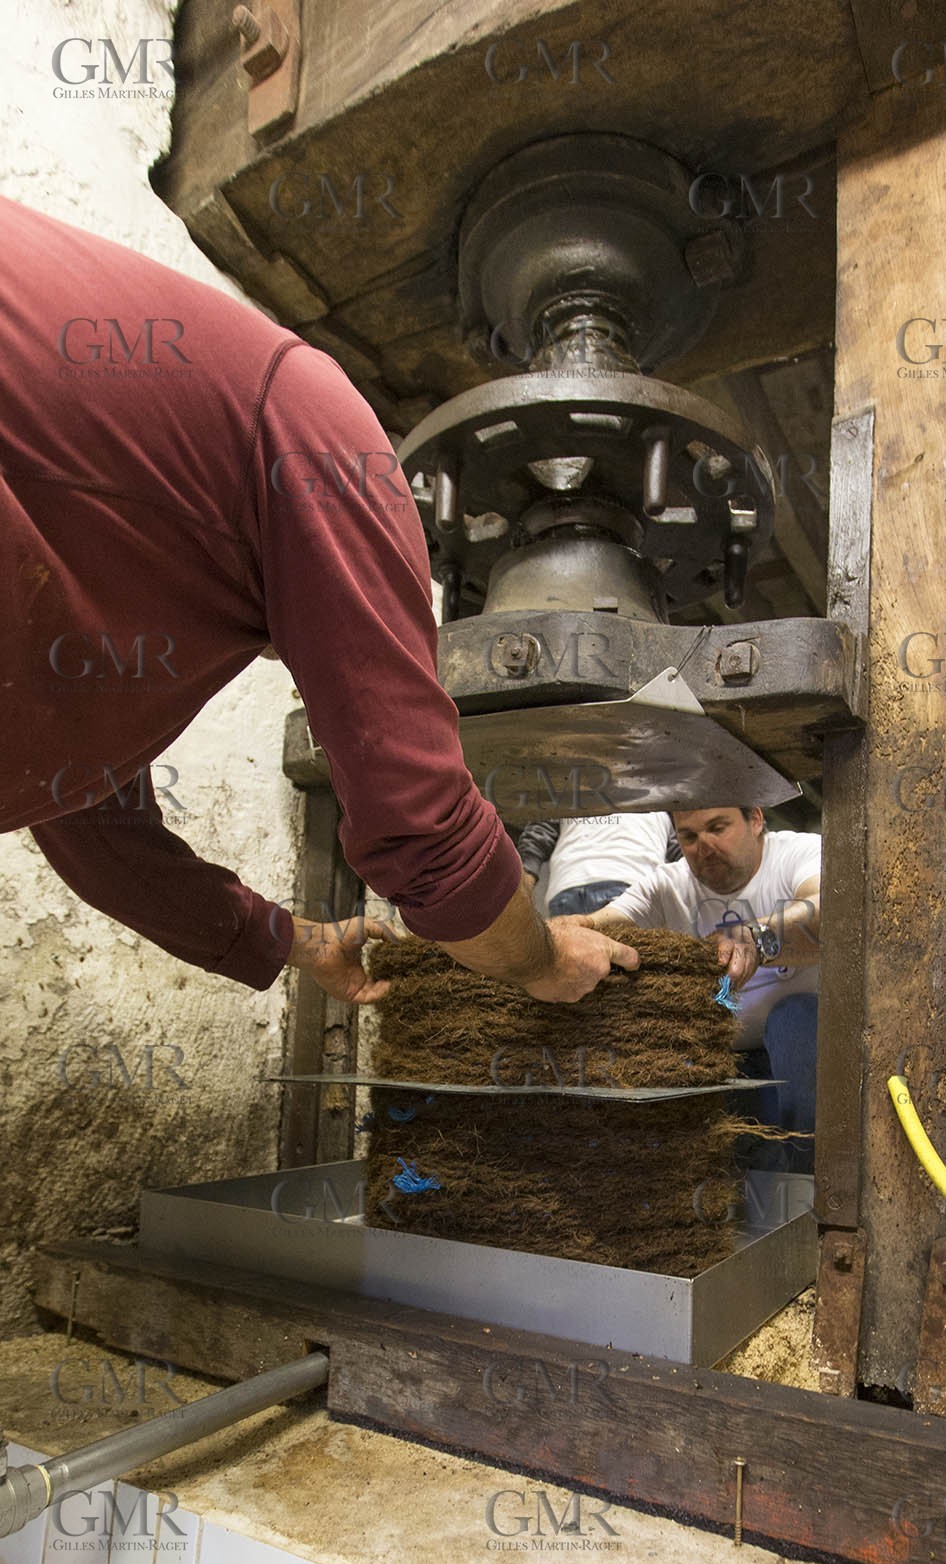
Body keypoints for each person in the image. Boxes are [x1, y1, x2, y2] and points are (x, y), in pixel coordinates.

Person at [0, 199, 638, 1007]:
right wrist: (540, 960)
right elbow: (424, 829)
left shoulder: (130, 549)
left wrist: (291, 940)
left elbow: (95, 824)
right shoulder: (333, 445)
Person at [581, 806, 821, 1170]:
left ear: (755, 820)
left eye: (717, 828)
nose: (703, 846)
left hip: (803, 1047)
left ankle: (817, 1183)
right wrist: (553, 935)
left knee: (792, 1020)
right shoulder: (666, 884)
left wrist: (756, 936)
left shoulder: (796, 854)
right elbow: (599, 925)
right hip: (728, 1055)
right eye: (689, 836)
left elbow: (828, 908)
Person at [518, 813, 681, 917]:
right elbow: (684, 854)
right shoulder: (662, 799)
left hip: (567, 887)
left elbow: (539, 832)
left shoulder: (573, 789)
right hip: (633, 886)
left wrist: (524, 882)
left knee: (574, 969)